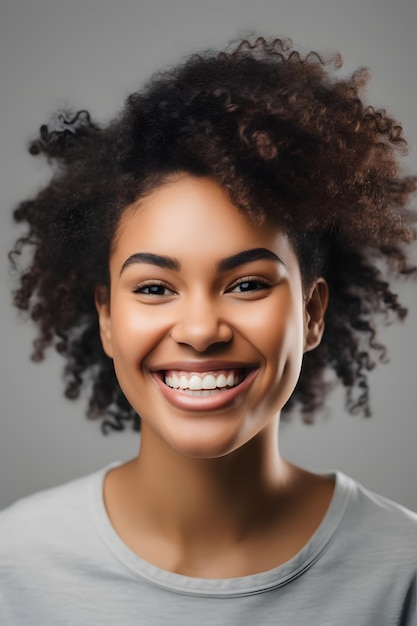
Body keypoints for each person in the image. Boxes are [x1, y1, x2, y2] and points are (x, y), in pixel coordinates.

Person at [1, 36, 416, 624]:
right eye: (153, 288)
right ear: (108, 319)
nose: (200, 330)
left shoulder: (403, 572)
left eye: (247, 284)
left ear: (312, 313)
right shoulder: (13, 567)